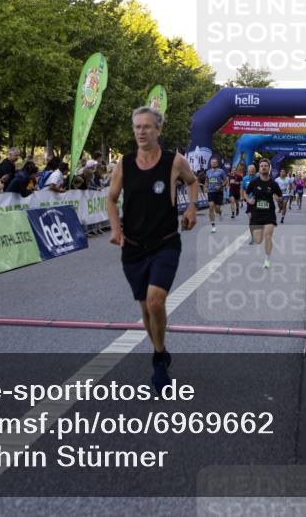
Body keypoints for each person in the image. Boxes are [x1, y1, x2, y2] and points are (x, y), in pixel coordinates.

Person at [107, 106, 198, 395]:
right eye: (137, 127)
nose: (141, 132)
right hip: (133, 246)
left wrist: (192, 207)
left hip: (165, 242)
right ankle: (161, 349)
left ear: (158, 130)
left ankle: (158, 360)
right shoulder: (125, 164)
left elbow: (193, 182)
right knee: (146, 307)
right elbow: (111, 199)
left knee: (155, 302)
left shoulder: (175, 161)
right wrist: (116, 229)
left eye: (147, 127)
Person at [245, 158, 282, 267]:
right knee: (258, 240)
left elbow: (280, 197)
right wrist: (248, 200)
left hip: (269, 213)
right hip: (256, 214)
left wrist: (278, 199)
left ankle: (267, 259)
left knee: (268, 236)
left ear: (269, 168)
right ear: (259, 169)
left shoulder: (274, 184)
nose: (264, 167)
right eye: (262, 166)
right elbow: (246, 193)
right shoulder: (254, 182)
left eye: (266, 166)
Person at [204, 157, 227, 233]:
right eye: (212, 162)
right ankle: (213, 225)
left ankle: (220, 213)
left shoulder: (221, 171)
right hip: (211, 192)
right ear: (210, 163)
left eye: (214, 162)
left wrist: (221, 186)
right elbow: (206, 181)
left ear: (217, 163)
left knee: (217, 209)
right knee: (211, 207)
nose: (213, 163)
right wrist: (206, 187)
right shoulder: (208, 172)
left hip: (219, 192)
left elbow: (226, 180)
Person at [240, 164, 257, 245]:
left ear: (255, 170)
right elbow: (243, 189)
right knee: (251, 219)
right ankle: (253, 237)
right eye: (250, 170)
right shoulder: (245, 179)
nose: (251, 171)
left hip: (258, 201)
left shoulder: (259, 178)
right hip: (249, 201)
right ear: (248, 170)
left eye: (253, 170)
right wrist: (242, 197)